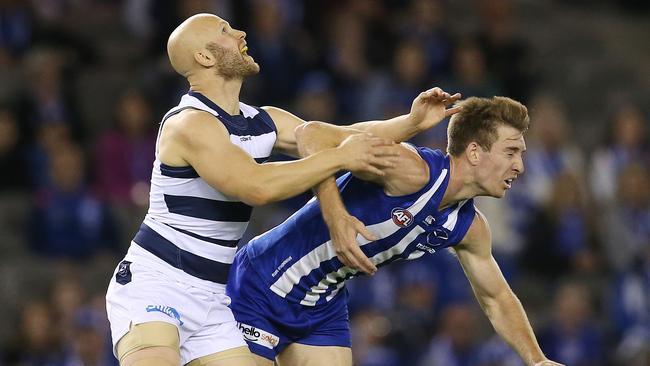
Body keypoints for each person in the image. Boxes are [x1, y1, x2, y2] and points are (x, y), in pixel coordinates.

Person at [105, 13, 459, 366]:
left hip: (213, 297)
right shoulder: (189, 123)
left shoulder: (262, 119)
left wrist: (411, 122)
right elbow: (256, 187)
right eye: (226, 31)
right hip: (157, 282)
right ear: (205, 57)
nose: (242, 32)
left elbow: (343, 135)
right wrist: (338, 158)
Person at [227, 96, 564, 366]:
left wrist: (536, 360)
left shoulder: (470, 227)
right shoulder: (410, 169)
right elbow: (312, 134)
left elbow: (497, 298)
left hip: (321, 304)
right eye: (511, 152)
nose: (520, 165)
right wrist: (335, 214)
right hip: (264, 282)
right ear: (474, 151)